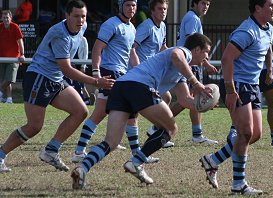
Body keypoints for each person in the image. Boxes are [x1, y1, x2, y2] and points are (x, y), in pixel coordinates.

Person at [71, 33, 213, 189]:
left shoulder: (182, 72)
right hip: (139, 86)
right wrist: (196, 82)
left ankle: (82, 168)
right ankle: (136, 162)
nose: (207, 57)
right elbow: (175, 55)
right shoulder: (183, 52)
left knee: (111, 142)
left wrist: (205, 104)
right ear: (197, 49)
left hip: (121, 87)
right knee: (171, 128)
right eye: (207, 52)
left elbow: (185, 99)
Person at [0, 0, 114, 173]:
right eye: (76, 16)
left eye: (83, 16)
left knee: (80, 111)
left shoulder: (82, 27)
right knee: (34, 126)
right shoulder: (60, 34)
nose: (81, 20)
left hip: (56, 79)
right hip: (39, 77)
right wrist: (96, 81)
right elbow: (67, 68)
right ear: (66, 15)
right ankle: (1, 154)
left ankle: (51, 150)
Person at [199, 0, 273, 195]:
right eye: (271, 5)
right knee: (245, 133)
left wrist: (269, 68)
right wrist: (231, 90)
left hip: (252, 85)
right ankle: (238, 184)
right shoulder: (247, 31)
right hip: (238, 85)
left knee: (255, 134)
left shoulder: (269, 28)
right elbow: (226, 58)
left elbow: (267, 47)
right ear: (258, 8)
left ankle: (213, 160)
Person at [71, 0, 140, 163]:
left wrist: (140, 72)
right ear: (120, 6)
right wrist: (96, 73)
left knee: (106, 112)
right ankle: (137, 154)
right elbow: (97, 48)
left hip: (122, 74)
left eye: (134, 5)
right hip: (110, 72)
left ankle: (79, 151)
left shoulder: (132, 28)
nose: (131, 8)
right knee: (125, 110)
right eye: (128, 5)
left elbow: (131, 53)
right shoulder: (111, 24)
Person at [151, 0, 218, 146]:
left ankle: (157, 127)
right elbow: (193, 43)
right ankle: (196, 134)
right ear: (194, 3)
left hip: (189, 62)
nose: (205, 6)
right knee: (192, 99)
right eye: (203, 3)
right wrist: (205, 63)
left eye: (208, 4)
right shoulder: (192, 18)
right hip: (189, 63)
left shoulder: (192, 17)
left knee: (187, 100)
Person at [129, 0, 174, 149]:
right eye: (160, 9)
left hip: (152, 73)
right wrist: (138, 68)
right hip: (141, 73)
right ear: (152, 11)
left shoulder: (162, 26)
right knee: (132, 109)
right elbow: (132, 48)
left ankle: (154, 130)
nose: (163, 11)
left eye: (165, 9)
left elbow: (162, 47)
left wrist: (173, 56)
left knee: (166, 97)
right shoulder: (146, 27)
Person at [0, 10, 25, 104]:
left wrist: (22, 54)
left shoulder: (15, 26)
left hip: (14, 57)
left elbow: (20, 41)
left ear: (10, 18)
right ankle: (9, 99)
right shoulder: (0, 27)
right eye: (4, 17)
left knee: (10, 78)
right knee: (4, 79)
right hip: (2, 58)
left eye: (7, 17)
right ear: (1, 18)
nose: (5, 19)